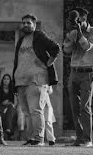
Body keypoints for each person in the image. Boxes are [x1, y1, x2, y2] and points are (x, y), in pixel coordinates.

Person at [12, 14, 60, 147]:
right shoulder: (21, 40)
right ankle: (31, 138)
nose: (25, 25)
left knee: (36, 110)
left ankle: (39, 138)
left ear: (34, 25)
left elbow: (55, 48)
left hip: (37, 80)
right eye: (24, 23)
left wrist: (48, 63)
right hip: (21, 81)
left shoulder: (38, 36)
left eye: (28, 23)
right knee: (26, 112)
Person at [62, 8, 93, 148]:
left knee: (85, 106)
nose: (78, 22)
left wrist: (78, 33)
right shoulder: (73, 32)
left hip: (88, 72)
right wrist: (69, 36)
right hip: (74, 72)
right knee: (74, 107)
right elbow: (65, 50)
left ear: (84, 19)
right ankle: (79, 138)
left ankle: (87, 139)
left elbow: (86, 46)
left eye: (80, 20)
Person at [0, 74, 18, 141]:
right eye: (4, 79)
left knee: (11, 110)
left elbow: (15, 102)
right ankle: (8, 132)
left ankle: (8, 130)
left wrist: (9, 103)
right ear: (2, 80)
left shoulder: (12, 90)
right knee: (2, 114)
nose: (6, 80)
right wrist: (2, 103)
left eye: (7, 79)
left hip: (10, 107)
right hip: (1, 106)